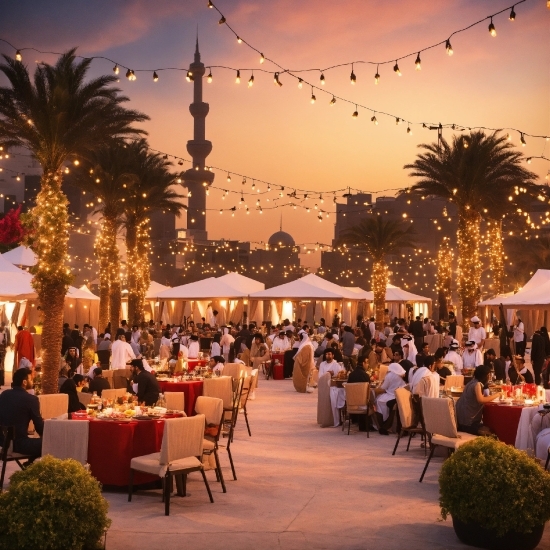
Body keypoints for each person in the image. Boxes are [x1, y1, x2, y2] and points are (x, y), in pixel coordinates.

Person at [0, 367, 43, 460]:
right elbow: (39, 427)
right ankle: (32, 468)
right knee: (53, 442)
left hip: (3, 443)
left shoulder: (4, 395)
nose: (32, 381)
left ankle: (29, 465)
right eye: (30, 379)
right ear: (24, 382)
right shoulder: (31, 399)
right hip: (19, 444)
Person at [456, 365, 500, 435]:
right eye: (489, 375)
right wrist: (497, 395)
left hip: (461, 421)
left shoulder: (471, 382)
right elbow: (481, 400)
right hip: (469, 423)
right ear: (486, 376)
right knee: (493, 433)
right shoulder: (477, 384)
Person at [374, 362, 406, 435]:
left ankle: (381, 423)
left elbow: (383, 388)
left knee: (378, 401)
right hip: (397, 395)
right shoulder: (400, 376)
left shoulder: (390, 375)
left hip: (390, 395)